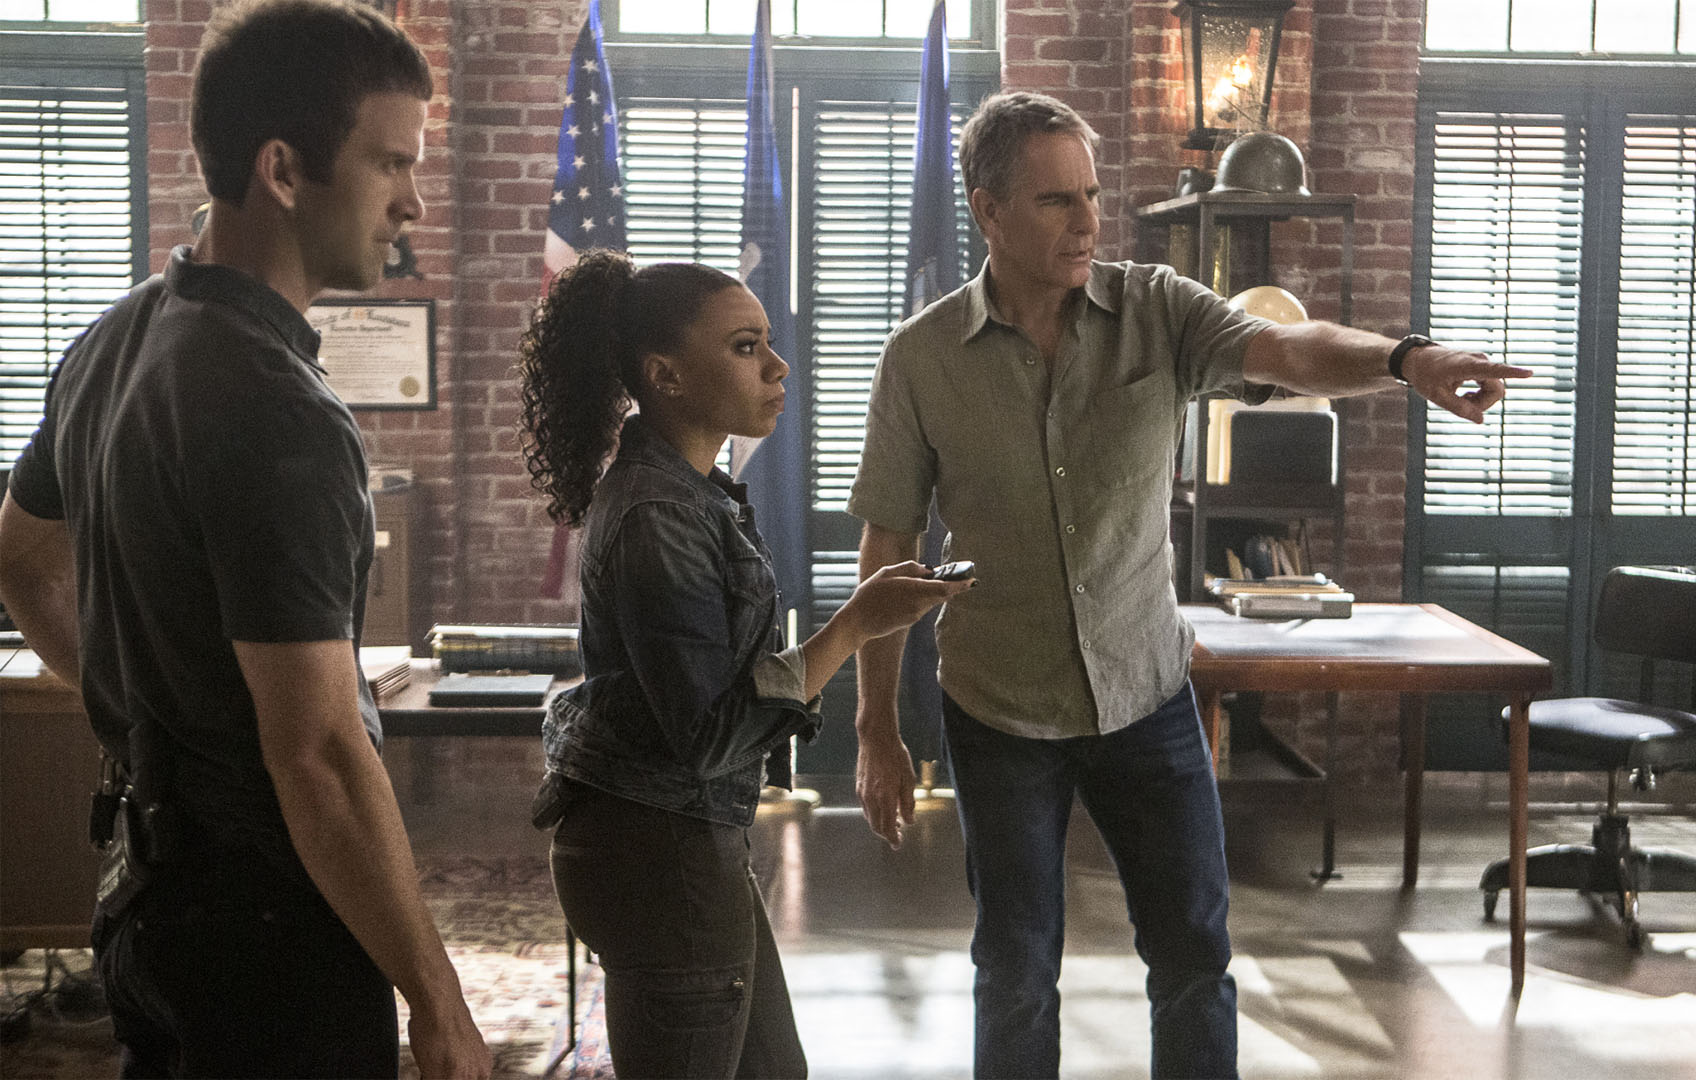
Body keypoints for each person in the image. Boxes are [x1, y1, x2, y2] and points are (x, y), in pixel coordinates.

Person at [846, 91, 1531, 1079]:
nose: (1087, 221)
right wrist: (874, 723)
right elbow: (890, 545)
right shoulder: (920, 359)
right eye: (1055, 201)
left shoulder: (1158, 309)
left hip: (1148, 697)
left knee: (1194, 962)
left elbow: (1287, 349)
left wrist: (1405, 359)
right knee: (1016, 972)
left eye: (1091, 195)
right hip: (999, 712)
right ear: (988, 211)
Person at [0, 2, 491, 1077]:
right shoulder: (281, 409)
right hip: (269, 935)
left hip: (145, 904)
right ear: (282, 169)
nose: (413, 201)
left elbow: (22, 559)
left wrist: (148, 718)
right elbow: (319, 757)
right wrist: (438, 1000)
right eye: (391, 163)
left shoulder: (113, 338)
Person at [516, 251, 971, 1079]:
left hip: (680, 842)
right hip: (662, 855)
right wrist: (856, 624)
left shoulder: (690, 493)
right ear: (666, 376)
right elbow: (708, 734)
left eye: (768, 342)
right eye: (745, 347)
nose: (778, 365)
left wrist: (861, 619)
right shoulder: (658, 513)